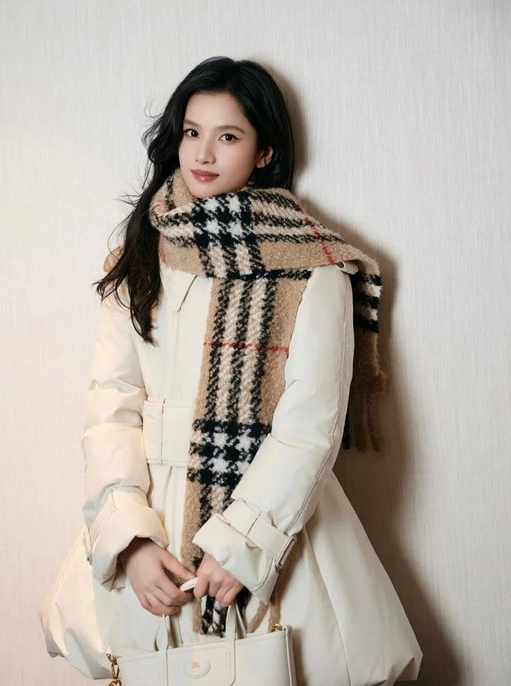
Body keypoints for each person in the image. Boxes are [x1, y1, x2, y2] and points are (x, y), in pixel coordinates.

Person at [82, 56, 422, 685]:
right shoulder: (138, 256)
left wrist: (242, 545)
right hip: (151, 524)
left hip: (270, 520)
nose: (203, 153)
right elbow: (112, 405)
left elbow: (311, 423)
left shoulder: (313, 266)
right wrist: (129, 540)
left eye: (229, 136)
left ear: (265, 152)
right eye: (192, 131)